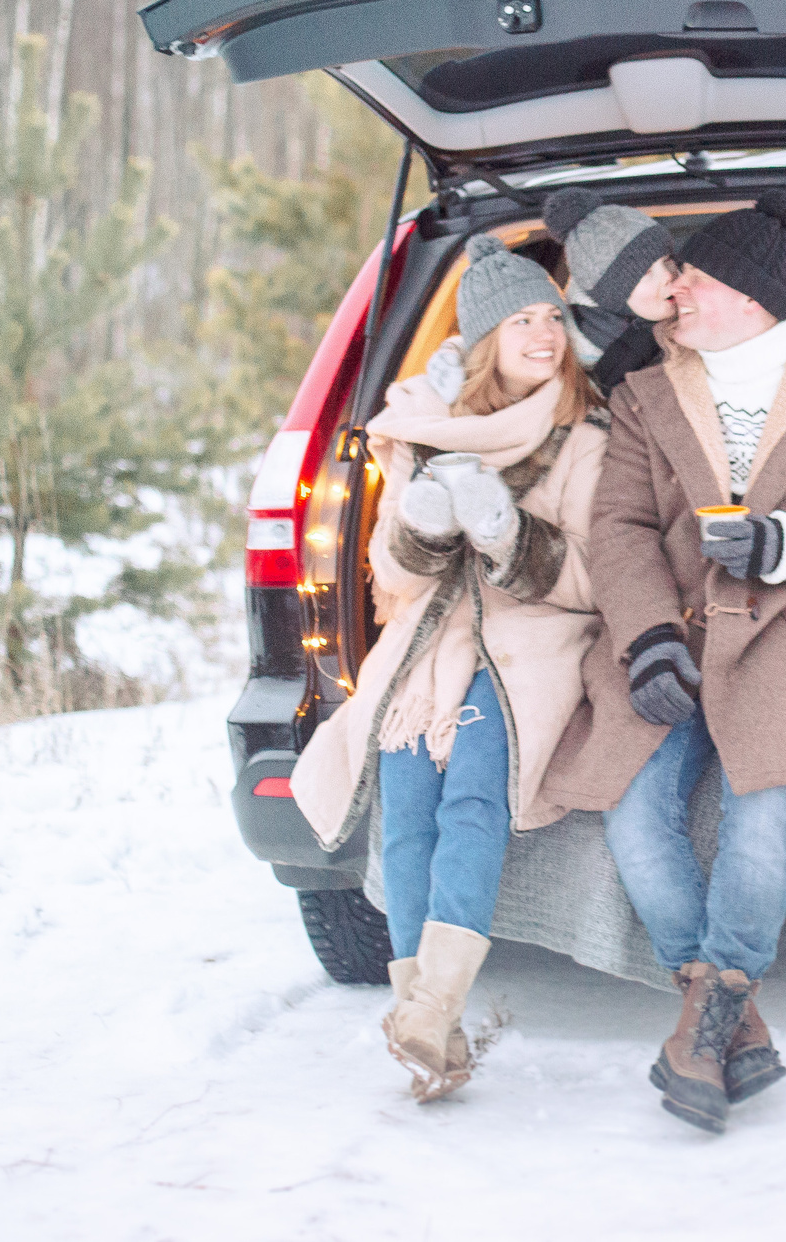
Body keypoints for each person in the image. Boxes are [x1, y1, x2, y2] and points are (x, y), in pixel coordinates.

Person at [541, 191, 786, 1134]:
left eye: (695, 282)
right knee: (635, 812)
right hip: (673, 634)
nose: (675, 294)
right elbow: (622, 528)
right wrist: (648, 638)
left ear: (750, 298)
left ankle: (706, 1022)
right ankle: (726, 1016)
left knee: (761, 817)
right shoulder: (646, 392)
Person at [290, 234, 608, 1102]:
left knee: (471, 801)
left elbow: (594, 579)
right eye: (520, 320)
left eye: (552, 317)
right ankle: (431, 1025)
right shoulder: (422, 429)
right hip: (426, 647)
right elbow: (391, 578)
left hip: (526, 644)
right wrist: (424, 527)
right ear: (482, 340)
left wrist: (507, 533)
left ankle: (432, 1009)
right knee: (406, 817)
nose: (543, 334)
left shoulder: (585, 436)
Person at [541, 186, 680, 395]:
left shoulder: (696, 318)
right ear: (613, 295)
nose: (670, 275)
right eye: (645, 272)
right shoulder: (574, 371)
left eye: (667, 260)